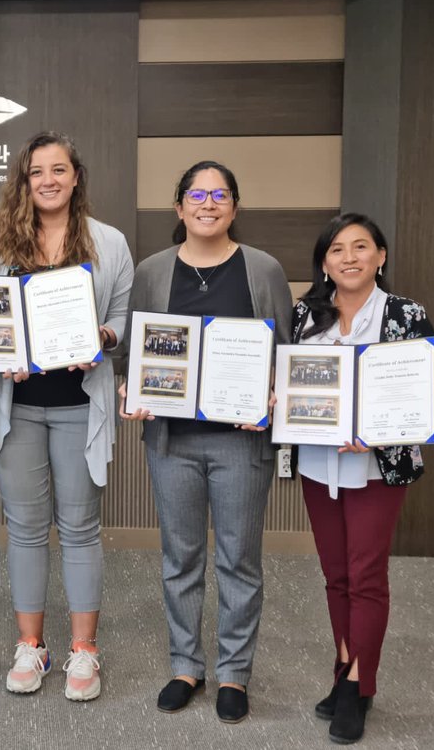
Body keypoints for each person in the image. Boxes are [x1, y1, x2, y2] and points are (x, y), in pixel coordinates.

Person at [120, 160, 291, 724]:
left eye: (220, 194)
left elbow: (286, 357)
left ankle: (234, 674)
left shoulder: (262, 270)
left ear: (234, 208)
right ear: (180, 207)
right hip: (172, 440)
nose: (208, 203)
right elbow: (132, 354)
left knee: (239, 558)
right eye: (198, 193)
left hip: (241, 444)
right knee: (181, 556)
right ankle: (185, 665)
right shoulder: (152, 271)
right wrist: (132, 388)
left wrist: (271, 396)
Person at [0, 131, 133, 701]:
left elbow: (121, 322)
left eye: (59, 169)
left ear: (75, 176)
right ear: (24, 181)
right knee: (25, 527)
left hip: (77, 406)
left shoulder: (109, 242)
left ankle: (84, 650)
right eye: (37, 171)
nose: (48, 180)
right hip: (15, 405)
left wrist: (103, 335)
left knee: (81, 527)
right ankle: (31, 645)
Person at [291, 212, 434, 745]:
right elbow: (290, 383)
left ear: (381, 256)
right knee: (336, 576)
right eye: (336, 249)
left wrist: (376, 431)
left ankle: (358, 686)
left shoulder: (404, 314)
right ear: (324, 263)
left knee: (366, 574)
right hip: (317, 461)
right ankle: (344, 666)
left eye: (360, 247)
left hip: (377, 465)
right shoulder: (307, 314)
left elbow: (426, 387)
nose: (348, 257)